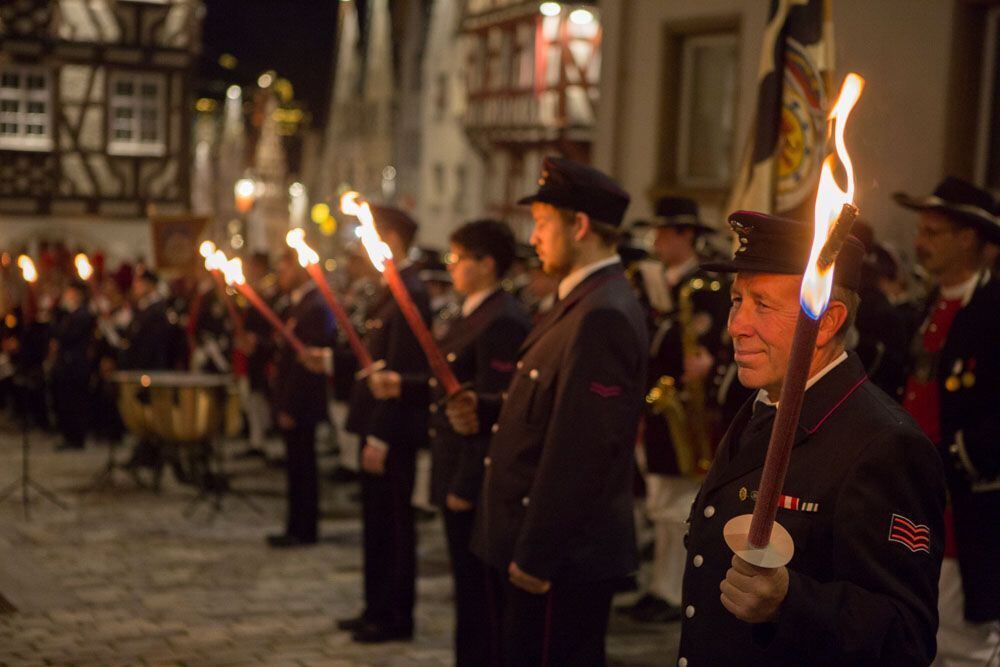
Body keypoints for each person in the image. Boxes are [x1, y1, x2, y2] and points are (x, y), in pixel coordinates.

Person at [674, 211, 946, 665]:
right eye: (737, 300)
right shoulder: (763, 405)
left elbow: (906, 636)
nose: (736, 325)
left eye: (762, 304)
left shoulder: (883, 443)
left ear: (825, 321)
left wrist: (790, 601)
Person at [445, 156, 648, 665]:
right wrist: (489, 408)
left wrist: (538, 554)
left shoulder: (602, 313)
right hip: (529, 539)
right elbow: (550, 405)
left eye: (541, 223)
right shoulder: (578, 301)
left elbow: (583, 451)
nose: (532, 238)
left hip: (561, 557)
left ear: (578, 226)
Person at [368, 219, 530, 665]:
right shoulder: (470, 312)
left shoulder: (503, 320)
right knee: (467, 588)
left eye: (460, 258)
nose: (453, 266)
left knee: (481, 593)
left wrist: (465, 483)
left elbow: (489, 411)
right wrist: (403, 384)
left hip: (473, 476)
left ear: (487, 263)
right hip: (451, 463)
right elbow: (449, 387)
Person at [894, 177, 1000, 665]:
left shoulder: (993, 310)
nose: (920, 242)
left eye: (933, 232)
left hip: (965, 506)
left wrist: (957, 455)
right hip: (917, 502)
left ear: (968, 239)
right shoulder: (924, 308)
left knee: (961, 646)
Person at [626, 196, 730, 623]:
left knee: (677, 506)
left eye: (667, 233)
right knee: (659, 502)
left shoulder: (706, 285)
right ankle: (660, 585)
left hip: (690, 407)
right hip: (657, 402)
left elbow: (711, 341)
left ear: (687, 235)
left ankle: (674, 590)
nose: (658, 240)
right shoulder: (655, 283)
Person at [337, 206, 431, 643]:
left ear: (389, 237)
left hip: (391, 428)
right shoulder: (389, 288)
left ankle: (395, 615)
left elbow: (402, 367)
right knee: (375, 525)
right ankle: (375, 605)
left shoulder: (409, 290)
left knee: (393, 527)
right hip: (375, 419)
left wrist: (380, 433)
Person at [266, 248, 336, 548]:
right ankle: (295, 525)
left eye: (285, 269)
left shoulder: (316, 306)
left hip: (302, 403)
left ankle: (304, 529)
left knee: (303, 467)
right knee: (295, 467)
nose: (280, 275)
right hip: (289, 398)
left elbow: (306, 365)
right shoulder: (297, 304)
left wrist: (290, 406)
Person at [50, 280, 95, 450]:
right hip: (66, 365)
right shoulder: (68, 314)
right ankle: (68, 436)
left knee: (75, 403)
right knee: (65, 402)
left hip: (76, 365)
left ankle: (76, 438)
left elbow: (67, 336)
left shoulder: (82, 315)